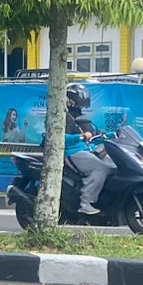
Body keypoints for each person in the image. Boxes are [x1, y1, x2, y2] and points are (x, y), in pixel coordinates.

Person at [61, 82, 112, 217]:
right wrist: (80, 137)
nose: (81, 107)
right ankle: (86, 203)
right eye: (79, 103)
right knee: (100, 168)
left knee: (112, 164)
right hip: (72, 152)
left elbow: (93, 135)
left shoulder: (79, 117)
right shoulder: (62, 117)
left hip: (87, 149)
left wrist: (111, 135)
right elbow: (60, 138)